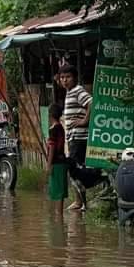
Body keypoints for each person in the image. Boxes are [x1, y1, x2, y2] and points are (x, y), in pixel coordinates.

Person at [59, 64, 94, 211]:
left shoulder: (77, 90)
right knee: (76, 169)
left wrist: (84, 120)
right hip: (74, 138)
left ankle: (79, 201)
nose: (64, 80)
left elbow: (91, 102)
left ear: (74, 78)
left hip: (80, 138)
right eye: (62, 77)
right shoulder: (70, 92)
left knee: (74, 170)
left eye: (68, 77)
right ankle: (80, 200)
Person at [46, 103, 69, 216]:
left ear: (50, 115)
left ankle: (59, 216)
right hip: (61, 163)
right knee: (58, 191)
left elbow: (52, 148)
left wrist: (49, 164)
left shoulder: (54, 129)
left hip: (56, 163)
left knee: (57, 192)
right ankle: (59, 216)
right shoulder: (60, 128)